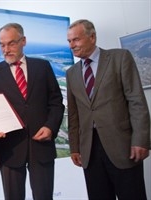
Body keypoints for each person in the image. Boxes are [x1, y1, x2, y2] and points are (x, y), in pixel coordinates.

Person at [66, 19, 150, 200]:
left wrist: (141, 140)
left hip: (123, 146)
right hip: (89, 151)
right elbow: (74, 114)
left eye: (76, 40)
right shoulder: (71, 73)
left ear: (92, 37)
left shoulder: (120, 58)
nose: (72, 45)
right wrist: (74, 147)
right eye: (70, 41)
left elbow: (136, 101)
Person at [0, 23, 64, 200]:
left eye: (11, 43)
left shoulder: (42, 67)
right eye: (2, 45)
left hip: (41, 146)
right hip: (9, 149)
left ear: (23, 41)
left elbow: (56, 103)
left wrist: (51, 127)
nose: (6, 49)